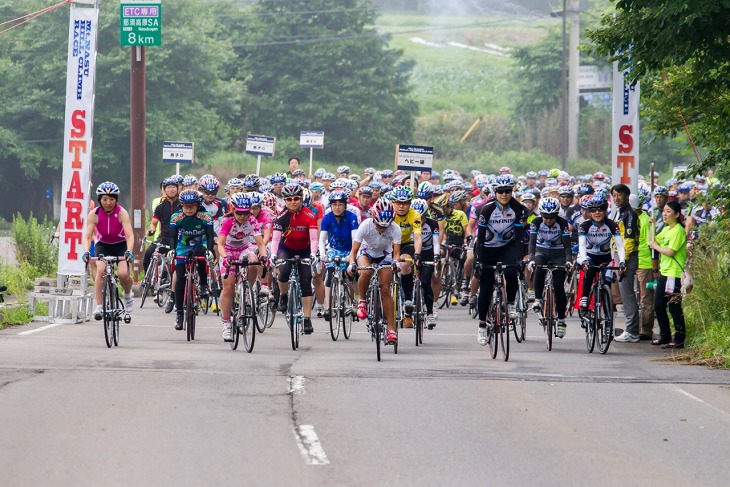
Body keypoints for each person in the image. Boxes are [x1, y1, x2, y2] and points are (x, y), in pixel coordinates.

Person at [474, 174, 527, 346]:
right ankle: (482, 325)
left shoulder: (519, 209)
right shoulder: (487, 210)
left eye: (508, 191)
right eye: (501, 191)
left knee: (511, 271)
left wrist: (519, 258)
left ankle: (510, 303)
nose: (504, 194)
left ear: (512, 191)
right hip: (487, 248)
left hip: (507, 247)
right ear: (495, 192)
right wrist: (479, 261)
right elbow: (480, 238)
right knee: (486, 288)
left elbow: (519, 238)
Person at [347, 198, 402, 344]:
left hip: (385, 255)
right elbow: (354, 251)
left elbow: (396, 253)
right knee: (365, 272)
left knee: (385, 289)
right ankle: (362, 301)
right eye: (379, 225)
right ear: (374, 219)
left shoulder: (395, 228)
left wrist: (396, 263)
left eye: (386, 226)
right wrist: (352, 263)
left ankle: (391, 330)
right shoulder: (365, 225)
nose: (382, 229)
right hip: (366, 252)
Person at [217, 192, 267, 341]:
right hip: (228, 251)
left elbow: (260, 244)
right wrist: (225, 258)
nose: (242, 217)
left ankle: (247, 291)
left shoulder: (252, 221)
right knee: (228, 287)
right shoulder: (227, 221)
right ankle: (226, 324)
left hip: (244, 249)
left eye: (246, 213)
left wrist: (263, 256)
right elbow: (220, 244)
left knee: (253, 260)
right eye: (239, 213)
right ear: (233, 210)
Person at [82, 182, 135, 320]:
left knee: (123, 273)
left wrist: (129, 251)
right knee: (100, 270)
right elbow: (87, 236)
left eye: (112, 199)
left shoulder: (122, 213)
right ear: (100, 200)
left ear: (116, 199)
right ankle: (99, 306)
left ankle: (128, 294)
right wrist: (86, 251)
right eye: (105, 199)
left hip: (120, 245)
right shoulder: (94, 214)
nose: (108, 203)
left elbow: (129, 235)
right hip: (103, 245)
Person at [271, 183, 319, 335]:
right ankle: (284, 296)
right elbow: (276, 240)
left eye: (296, 198)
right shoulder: (281, 217)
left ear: (301, 198)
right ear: (285, 200)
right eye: (289, 199)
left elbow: (314, 238)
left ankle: (307, 319)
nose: (293, 202)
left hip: (304, 250)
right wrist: (273, 255)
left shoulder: (309, 215)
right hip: (286, 249)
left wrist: (313, 254)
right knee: (283, 272)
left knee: (306, 281)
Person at [170, 189, 216, 330]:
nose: (189, 209)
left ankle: (202, 284)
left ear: (198, 205)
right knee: (180, 279)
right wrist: (172, 250)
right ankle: (179, 314)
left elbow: (209, 236)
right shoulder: (176, 217)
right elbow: (172, 236)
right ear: (181, 206)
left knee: (200, 254)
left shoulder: (206, 216)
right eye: (185, 206)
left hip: (200, 244)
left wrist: (209, 250)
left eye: (192, 206)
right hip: (182, 247)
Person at [528, 197, 573, 338]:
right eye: (545, 217)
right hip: (542, 251)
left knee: (559, 286)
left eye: (551, 217)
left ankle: (561, 321)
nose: (548, 220)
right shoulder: (536, 222)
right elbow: (532, 243)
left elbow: (567, 245)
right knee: (539, 268)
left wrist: (568, 261)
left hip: (558, 254)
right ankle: (538, 299)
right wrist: (531, 259)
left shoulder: (562, 223)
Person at [577, 194, 626, 310]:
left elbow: (619, 246)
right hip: (589, 257)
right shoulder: (585, 226)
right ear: (590, 212)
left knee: (608, 281)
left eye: (600, 209)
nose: (597, 213)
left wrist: (622, 262)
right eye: (593, 210)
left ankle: (607, 311)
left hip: (605, 258)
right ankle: (584, 296)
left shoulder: (612, 225)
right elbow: (582, 245)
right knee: (590, 271)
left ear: (605, 210)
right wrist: (584, 259)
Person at [649, 200, 687, 349]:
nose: (665, 214)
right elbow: (652, 241)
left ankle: (679, 338)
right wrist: (652, 225)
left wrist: (656, 247)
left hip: (673, 274)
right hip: (664, 273)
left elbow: (670, 252)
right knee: (658, 306)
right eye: (664, 211)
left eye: (668, 211)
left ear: (677, 215)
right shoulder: (666, 229)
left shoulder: (678, 230)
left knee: (674, 306)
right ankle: (664, 335)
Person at [318, 190, 359, 322]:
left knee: (352, 273)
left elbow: (355, 239)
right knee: (329, 274)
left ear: (345, 205)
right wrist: (322, 254)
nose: (337, 207)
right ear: (330, 205)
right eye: (334, 204)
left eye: (340, 204)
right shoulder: (327, 218)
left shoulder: (351, 217)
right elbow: (321, 239)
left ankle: (357, 301)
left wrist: (352, 256)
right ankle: (328, 307)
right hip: (334, 249)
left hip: (349, 249)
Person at [611, 184, 641, 343]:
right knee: (625, 294)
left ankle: (632, 331)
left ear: (627, 196)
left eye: (620, 195)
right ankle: (631, 329)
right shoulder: (620, 213)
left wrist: (623, 261)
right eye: (614, 195)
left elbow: (628, 241)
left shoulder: (629, 214)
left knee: (628, 295)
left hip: (626, 257)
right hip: (619, 255)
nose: (617, 198)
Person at [146, 178, 180, 310]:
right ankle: (150, 282)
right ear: (164, 190)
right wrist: (152, 229)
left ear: (178, 189)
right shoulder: (161, 207)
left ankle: (174, 292)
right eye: (168, 187)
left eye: (173, 187)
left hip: (178, 239)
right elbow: (154, 222)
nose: (171, 189)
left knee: (175, 267)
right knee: (148, 254)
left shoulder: (182, 205)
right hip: (164, 238)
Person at [391, 186, 422, 327]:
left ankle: (408, 301)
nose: (401, 206)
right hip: (388, 244)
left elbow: (417, 236)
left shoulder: (414, 215)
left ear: (410, 203)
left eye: (405, 203)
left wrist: (417, 253)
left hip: (405, 244)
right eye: (398, 202)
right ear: (393, 202)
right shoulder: (389, 212)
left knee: (404, 265)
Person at [410, 198, 439, 328]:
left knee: (426, 281)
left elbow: (436, 242)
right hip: (412, 253)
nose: (419, 221)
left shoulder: (432, 224)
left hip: (428, 255)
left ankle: (430, 313)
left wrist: (437, 256)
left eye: (421, 218)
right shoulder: (409, 222)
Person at [633, 193, 655, 341]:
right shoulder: (623, 217)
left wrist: (654, 265)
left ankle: (646, 330)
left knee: (645, 297)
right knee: (630, 297)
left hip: (644, 262)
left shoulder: (645, 220)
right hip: (629, 261)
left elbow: (650, 242)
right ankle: (633, 327)